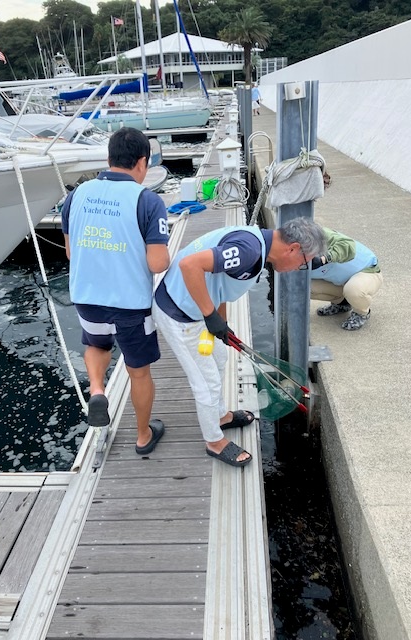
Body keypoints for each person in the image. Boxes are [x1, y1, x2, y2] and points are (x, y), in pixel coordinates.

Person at [152, 217, 326, 468]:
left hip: (197, 309)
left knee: (220, 359)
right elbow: (190, 265)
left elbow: (219, 279)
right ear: (293, 248)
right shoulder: (249, 251)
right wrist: (210, 316)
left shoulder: (259, 248)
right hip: (179, 313)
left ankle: (221, 416)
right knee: (206, 381)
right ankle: (214, 441)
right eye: (303, 263)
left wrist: (220, 323)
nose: (298, 268)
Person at [62, 127, 170, 455]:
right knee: (138, 371)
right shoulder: (148, 201)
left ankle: (97, 388)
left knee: (96, 345)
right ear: (143, 162)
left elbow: (70, 252)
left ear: (108, 159)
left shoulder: (75, 196)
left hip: (87, 297)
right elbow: (157, 262)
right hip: (129, 302)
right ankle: (142, 435)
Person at [310, 227, 383, 331]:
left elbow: (347, 244)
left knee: (353, 290)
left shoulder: (312, 233)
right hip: (340, 280)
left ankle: (361, 313)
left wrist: (325, 258)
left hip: (367, 271)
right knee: (300, 288)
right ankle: (342, 304)